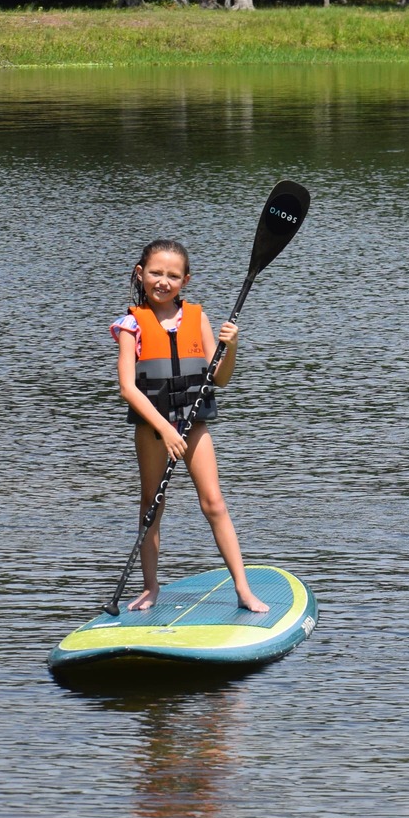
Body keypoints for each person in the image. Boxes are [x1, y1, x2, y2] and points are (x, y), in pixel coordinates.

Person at [111, 241, 266, 614]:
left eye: (172, 275)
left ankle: (243, 590)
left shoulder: (198, 318)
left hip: (192, 423)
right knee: (152, 503)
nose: (163, 281)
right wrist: (164, 429)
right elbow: (128, 387)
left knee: (213, 502)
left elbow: (220, 379)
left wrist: (233, 347)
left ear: (185, 280)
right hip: (154, 427)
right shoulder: (132, 324)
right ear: (140, 274)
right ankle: (151, 588)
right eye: (156, 273)